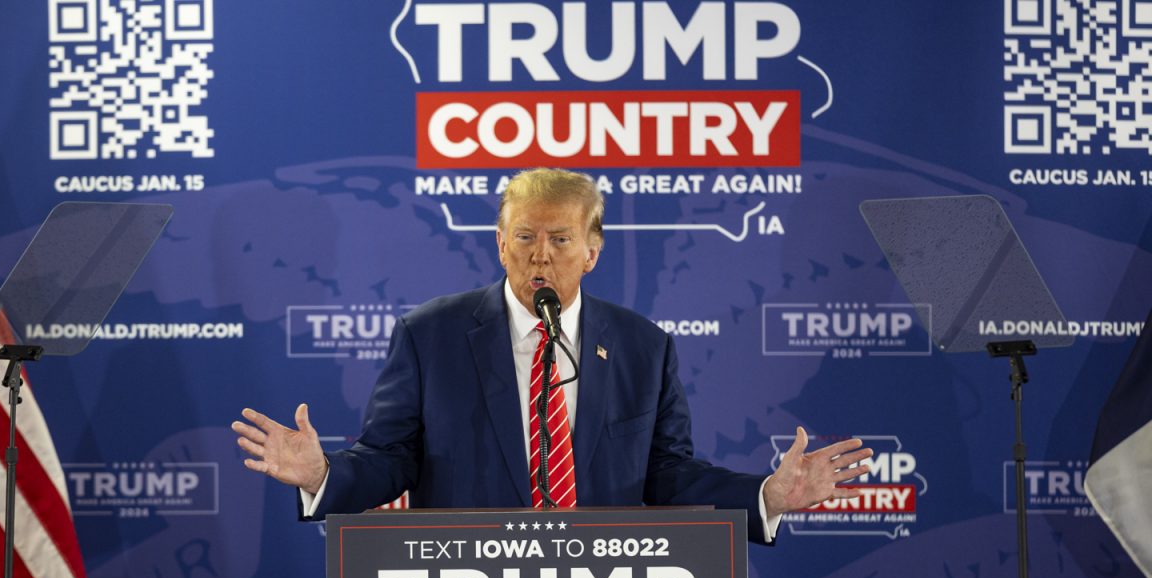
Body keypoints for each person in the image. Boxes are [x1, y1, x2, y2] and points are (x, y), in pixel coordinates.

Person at [232, 168, 871, 541]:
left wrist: (767, 495)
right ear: (501, 245)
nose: (541, 254)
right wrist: (323, 476)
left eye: (560, 239)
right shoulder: (431, 335)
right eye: (525, 238)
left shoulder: (643, 347)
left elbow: (667, 475)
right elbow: (391, 458)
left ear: (592, 251)